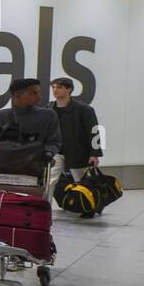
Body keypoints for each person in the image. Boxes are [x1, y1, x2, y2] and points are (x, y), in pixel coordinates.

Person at [48, 77, 102, 216]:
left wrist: (95, 153)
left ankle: (89, 208)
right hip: (56, 150)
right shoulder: (49, 108)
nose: (55, 90)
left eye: (59, 87)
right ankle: (44, 207)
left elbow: (95, 131)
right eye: (53, 87)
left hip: (79, 151)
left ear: (69, 89)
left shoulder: (84, 109)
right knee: (50, 180)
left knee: (82, 181)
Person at [0, 77, 61, 162]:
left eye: (39, 93)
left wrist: (47, 154)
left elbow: (54, 142)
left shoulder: (49, 115)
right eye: (34, 93)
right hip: (5, 167)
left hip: (34, 167)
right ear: (17, 94)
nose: (39, 97)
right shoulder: (1, 116)